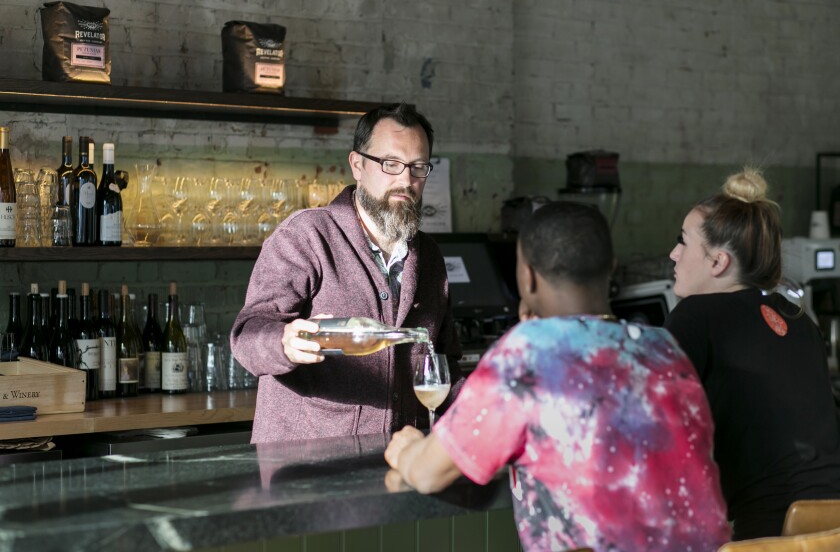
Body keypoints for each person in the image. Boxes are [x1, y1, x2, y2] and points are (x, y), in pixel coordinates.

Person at [384, 201, 731, 552]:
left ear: (527, 277)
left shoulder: (526, 353)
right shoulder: (665, 349)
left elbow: (429, 473)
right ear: (610, 268)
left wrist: (408, 450)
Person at [231, 102, 463, 443]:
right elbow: (247, 334)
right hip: (306, 463)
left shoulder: (429, 256)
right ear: (357, 165)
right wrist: (285, 342)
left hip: (398, 461)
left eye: (418, 167)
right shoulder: (306, 235)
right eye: (391, 164)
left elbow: (445, 364)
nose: (406, 180)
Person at [664, 167, 840, 540]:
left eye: (683, 241)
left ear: (718, 262)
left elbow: (658, 422)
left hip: (769, 533)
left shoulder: (696, 316)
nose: (674, 253)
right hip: (832, 523)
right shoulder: (799, 319)